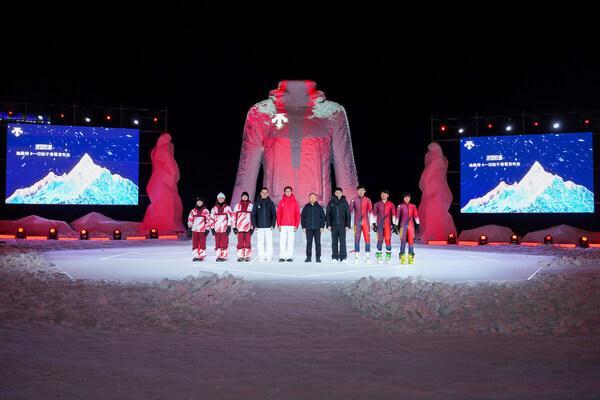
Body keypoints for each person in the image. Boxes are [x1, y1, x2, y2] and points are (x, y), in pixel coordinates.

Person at [251, 187, 277, 262]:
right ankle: (261, 256)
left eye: (266, 192)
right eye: (263, 192)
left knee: (269, 242)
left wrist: (273, 225)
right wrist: (255, 225)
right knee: (260, 243)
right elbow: (253, 215)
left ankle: (269, 256)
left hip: (269, 227)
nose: (264, 194)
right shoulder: (256, 203)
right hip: (259, 227)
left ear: (268, 194)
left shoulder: (271, 203)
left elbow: (274, 215)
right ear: (261, 193)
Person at [395, 192, 420, 264]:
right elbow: (397, 216)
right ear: (403, 198)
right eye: (405, 197)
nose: (407, 198)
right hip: (402, 226)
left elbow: (416, 215)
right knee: (402, 242)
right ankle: (402, 256)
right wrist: (396, 225)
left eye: (408, 197)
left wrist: (418, 224)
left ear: (410, 198)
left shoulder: (413, 206)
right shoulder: (400, 206)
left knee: (411, 242)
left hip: (411, 227)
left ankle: (410, 257)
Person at [326, 187, 351, 262]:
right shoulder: (331, 202)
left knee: (342, 241)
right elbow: (328, 214)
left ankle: (343, 257)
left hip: (342, 226)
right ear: (334, 193)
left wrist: (348, 225)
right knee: (334, 242)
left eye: (339, 192)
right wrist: (328, 225)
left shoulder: (345, 202)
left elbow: (348, 215)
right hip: (333, 226)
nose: (338, 194)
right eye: (336, 192)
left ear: (342, 193)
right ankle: (334, 257)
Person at [276, 186, 300, 262]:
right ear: (284, 192)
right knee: (282, 241)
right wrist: (278, 224)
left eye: (289, 191)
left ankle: (289, 256)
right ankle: (282, 256)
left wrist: (296, 225)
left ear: (291, 192)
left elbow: (297, 214)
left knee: (290, 241)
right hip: (283, 225)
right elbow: (278, 214)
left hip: (292, 225)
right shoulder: (281, 202)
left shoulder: (295, 202)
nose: (288, 192)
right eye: (286, 191)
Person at [350, 185, 373, 263]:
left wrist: (372, 223)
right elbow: (351, 212)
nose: (361, 192)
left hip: (366, 223)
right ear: (357, 191)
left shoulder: (368, 200)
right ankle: (356, 256)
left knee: (367, 239)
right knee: (356, 238)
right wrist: (351, 223)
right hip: (357, 223)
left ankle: (367, 256)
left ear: (365, 191)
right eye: (359, 190)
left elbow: (371, 212)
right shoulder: (353, 200)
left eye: (362, 190)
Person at [372, 190, 396, 263]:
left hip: (388, 225)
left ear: (388, 195)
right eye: (382, 194)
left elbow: (394, 215)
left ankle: (388, 256)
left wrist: (395, 224)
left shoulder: (391, 204)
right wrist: (373, 224)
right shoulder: (377, 204)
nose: (383, 195)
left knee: (388, 240)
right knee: (380, 240)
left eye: (385, 194)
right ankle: (379, 254)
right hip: (379, 225)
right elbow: (374, 215)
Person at [301, 193, 326, 263]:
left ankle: (318, 257)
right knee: (309, 243)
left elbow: (323, 218)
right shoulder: (306, 207)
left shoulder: (319, 207)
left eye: (314, 197)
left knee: (318, 243)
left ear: (316, 198)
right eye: (311, 197)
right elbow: (302, 217)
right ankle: (308, 257)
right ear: (309, 198)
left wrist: (322, 226)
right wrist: (303, 226)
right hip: (308, 228)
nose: (312, 198)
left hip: (317, 228)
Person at [187, 197, 212, 262]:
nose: (199, 203)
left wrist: (207, 229)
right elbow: (190, 220)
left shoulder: (205, 211)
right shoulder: (193, 211)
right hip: (194, 230)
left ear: (203, 203)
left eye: (200, 202)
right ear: (196, 202)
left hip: (202, 230)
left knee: (202, 244)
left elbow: (208, 221)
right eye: (198, 201)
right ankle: (195, 256)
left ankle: (201, 256)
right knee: (194, 244)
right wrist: (189, 228)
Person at [210, 192, 233, 262]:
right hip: (217, 229)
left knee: (224, 243)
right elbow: (211, 219)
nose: (221, 199)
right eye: (219, 198)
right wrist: (212, 228)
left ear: (224, 199)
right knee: (217, 243)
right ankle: (218, 256)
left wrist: (229, 226)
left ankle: (223, 256)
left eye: (222, 198)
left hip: (224, 229)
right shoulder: (214, 208)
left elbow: (230, 218)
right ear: (217, 199)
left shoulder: (227, 208)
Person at [232, 191, 254, 262]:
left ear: (248, 197)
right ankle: (240, 256)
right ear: (241, 197)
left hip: (248, 228)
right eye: (243, 196)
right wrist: (234, 227)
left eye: (246, 196)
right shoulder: (237, 206)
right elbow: (234, 217)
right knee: (240, 243)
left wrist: (252, 228)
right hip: (240, 228)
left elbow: (253, 218)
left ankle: (247, 256)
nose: (244, 197)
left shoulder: (251, 206)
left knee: (248, 243)